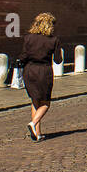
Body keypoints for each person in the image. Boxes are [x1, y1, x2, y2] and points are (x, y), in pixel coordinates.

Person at [20, 12, 63, 142]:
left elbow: (23, 56)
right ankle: (34, 123)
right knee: (45, 103)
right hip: (44, 72)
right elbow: (58, 60)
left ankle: (37, 134)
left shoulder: (28, 38)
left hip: (29, 71)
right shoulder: (53, 40)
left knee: (35, 100)